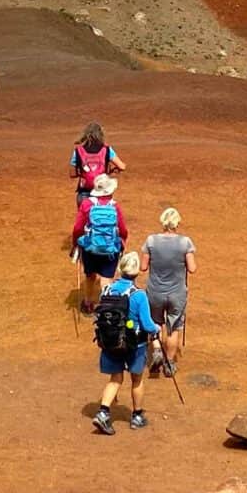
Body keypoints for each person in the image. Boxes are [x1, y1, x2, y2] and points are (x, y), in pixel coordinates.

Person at [89, 249, 160, 435]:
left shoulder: (107, 290)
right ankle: (136, 416)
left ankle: (103, 413)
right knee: (136, 379)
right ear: (136, 272)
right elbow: (147, 324)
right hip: (135, 345)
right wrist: (157, 328)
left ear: (120, 269)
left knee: (115, 379)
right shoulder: (139, 295)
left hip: (111, 342)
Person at [142, 207, 196, 375]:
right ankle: (169, 364)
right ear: (177, 223)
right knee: (173, 326)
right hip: (177, 293)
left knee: (155, 322)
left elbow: (143, 267)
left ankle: (157, 349)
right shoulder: (185, 242)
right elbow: (192, 268)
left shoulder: (151, 241)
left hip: (155, 292)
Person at [67, 173, 127, 313]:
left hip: (90, 247)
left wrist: (76, 243)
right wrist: (123, 241)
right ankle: (106, 307)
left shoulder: (87, 204)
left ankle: (88, 303)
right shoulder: (115, 207)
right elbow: (123, 229)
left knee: (90, 275)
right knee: (106, 278)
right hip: (110, 247)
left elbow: (78, 228)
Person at [69, 122, 121, 201]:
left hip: (84, 192)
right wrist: (110, 170)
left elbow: (72, 174)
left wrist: (84, 172)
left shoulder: (78, 151)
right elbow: (122, 166)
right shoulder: (107, 150)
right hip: (102, 192)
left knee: (83, 213)